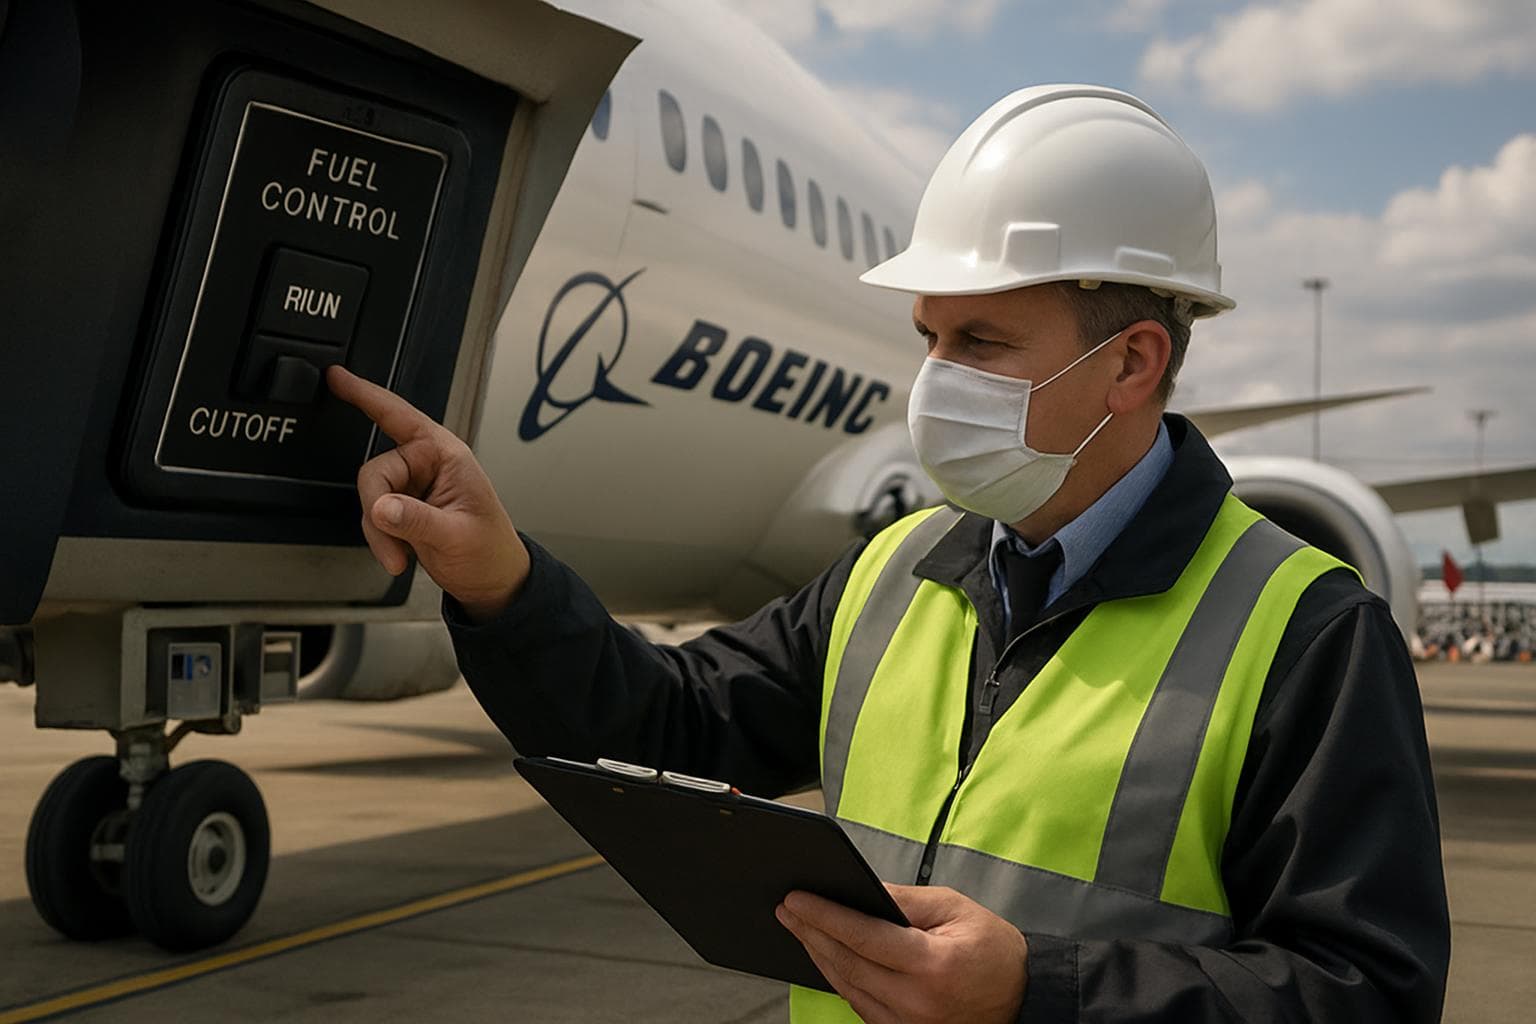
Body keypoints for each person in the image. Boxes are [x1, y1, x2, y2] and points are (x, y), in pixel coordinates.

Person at [328, 84, 1449, 1023]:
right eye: (929, 338)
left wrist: (1039, 989)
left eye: (981, 343)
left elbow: (1369, 990)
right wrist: (500, 581)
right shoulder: (895, 570)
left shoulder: (1306, 632)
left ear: (1133, 362)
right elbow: (666, 726)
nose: (933, 383)